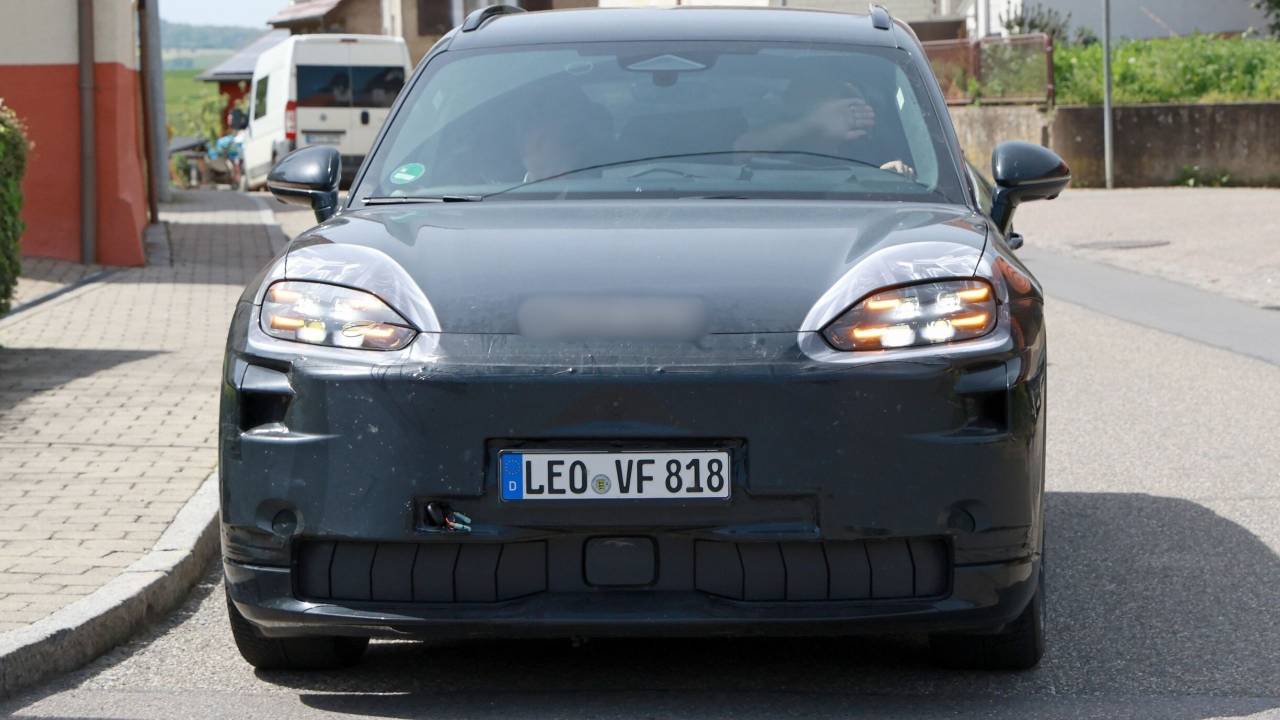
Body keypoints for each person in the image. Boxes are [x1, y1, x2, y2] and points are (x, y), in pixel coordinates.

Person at [735, 77, 915, 179]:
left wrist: (892, 175)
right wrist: (809, 124)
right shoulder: (777, 145)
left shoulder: (868, 149)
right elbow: (739, 152)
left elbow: (906, 178)